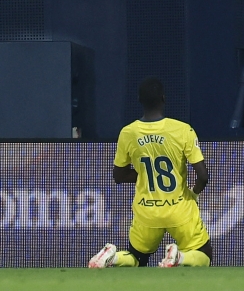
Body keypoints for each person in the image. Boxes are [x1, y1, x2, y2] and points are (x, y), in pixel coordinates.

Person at [88, 77, 210, 269]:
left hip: (147, 212)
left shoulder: (128, 133)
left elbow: (118, 176)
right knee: (203, 256)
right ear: (164, 98)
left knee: (136, 259)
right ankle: (179, 258)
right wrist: (192, 194)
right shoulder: (182, 129)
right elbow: (203, 176)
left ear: (139, 100)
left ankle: (114, 257)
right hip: (179, 210)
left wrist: (144, 173)